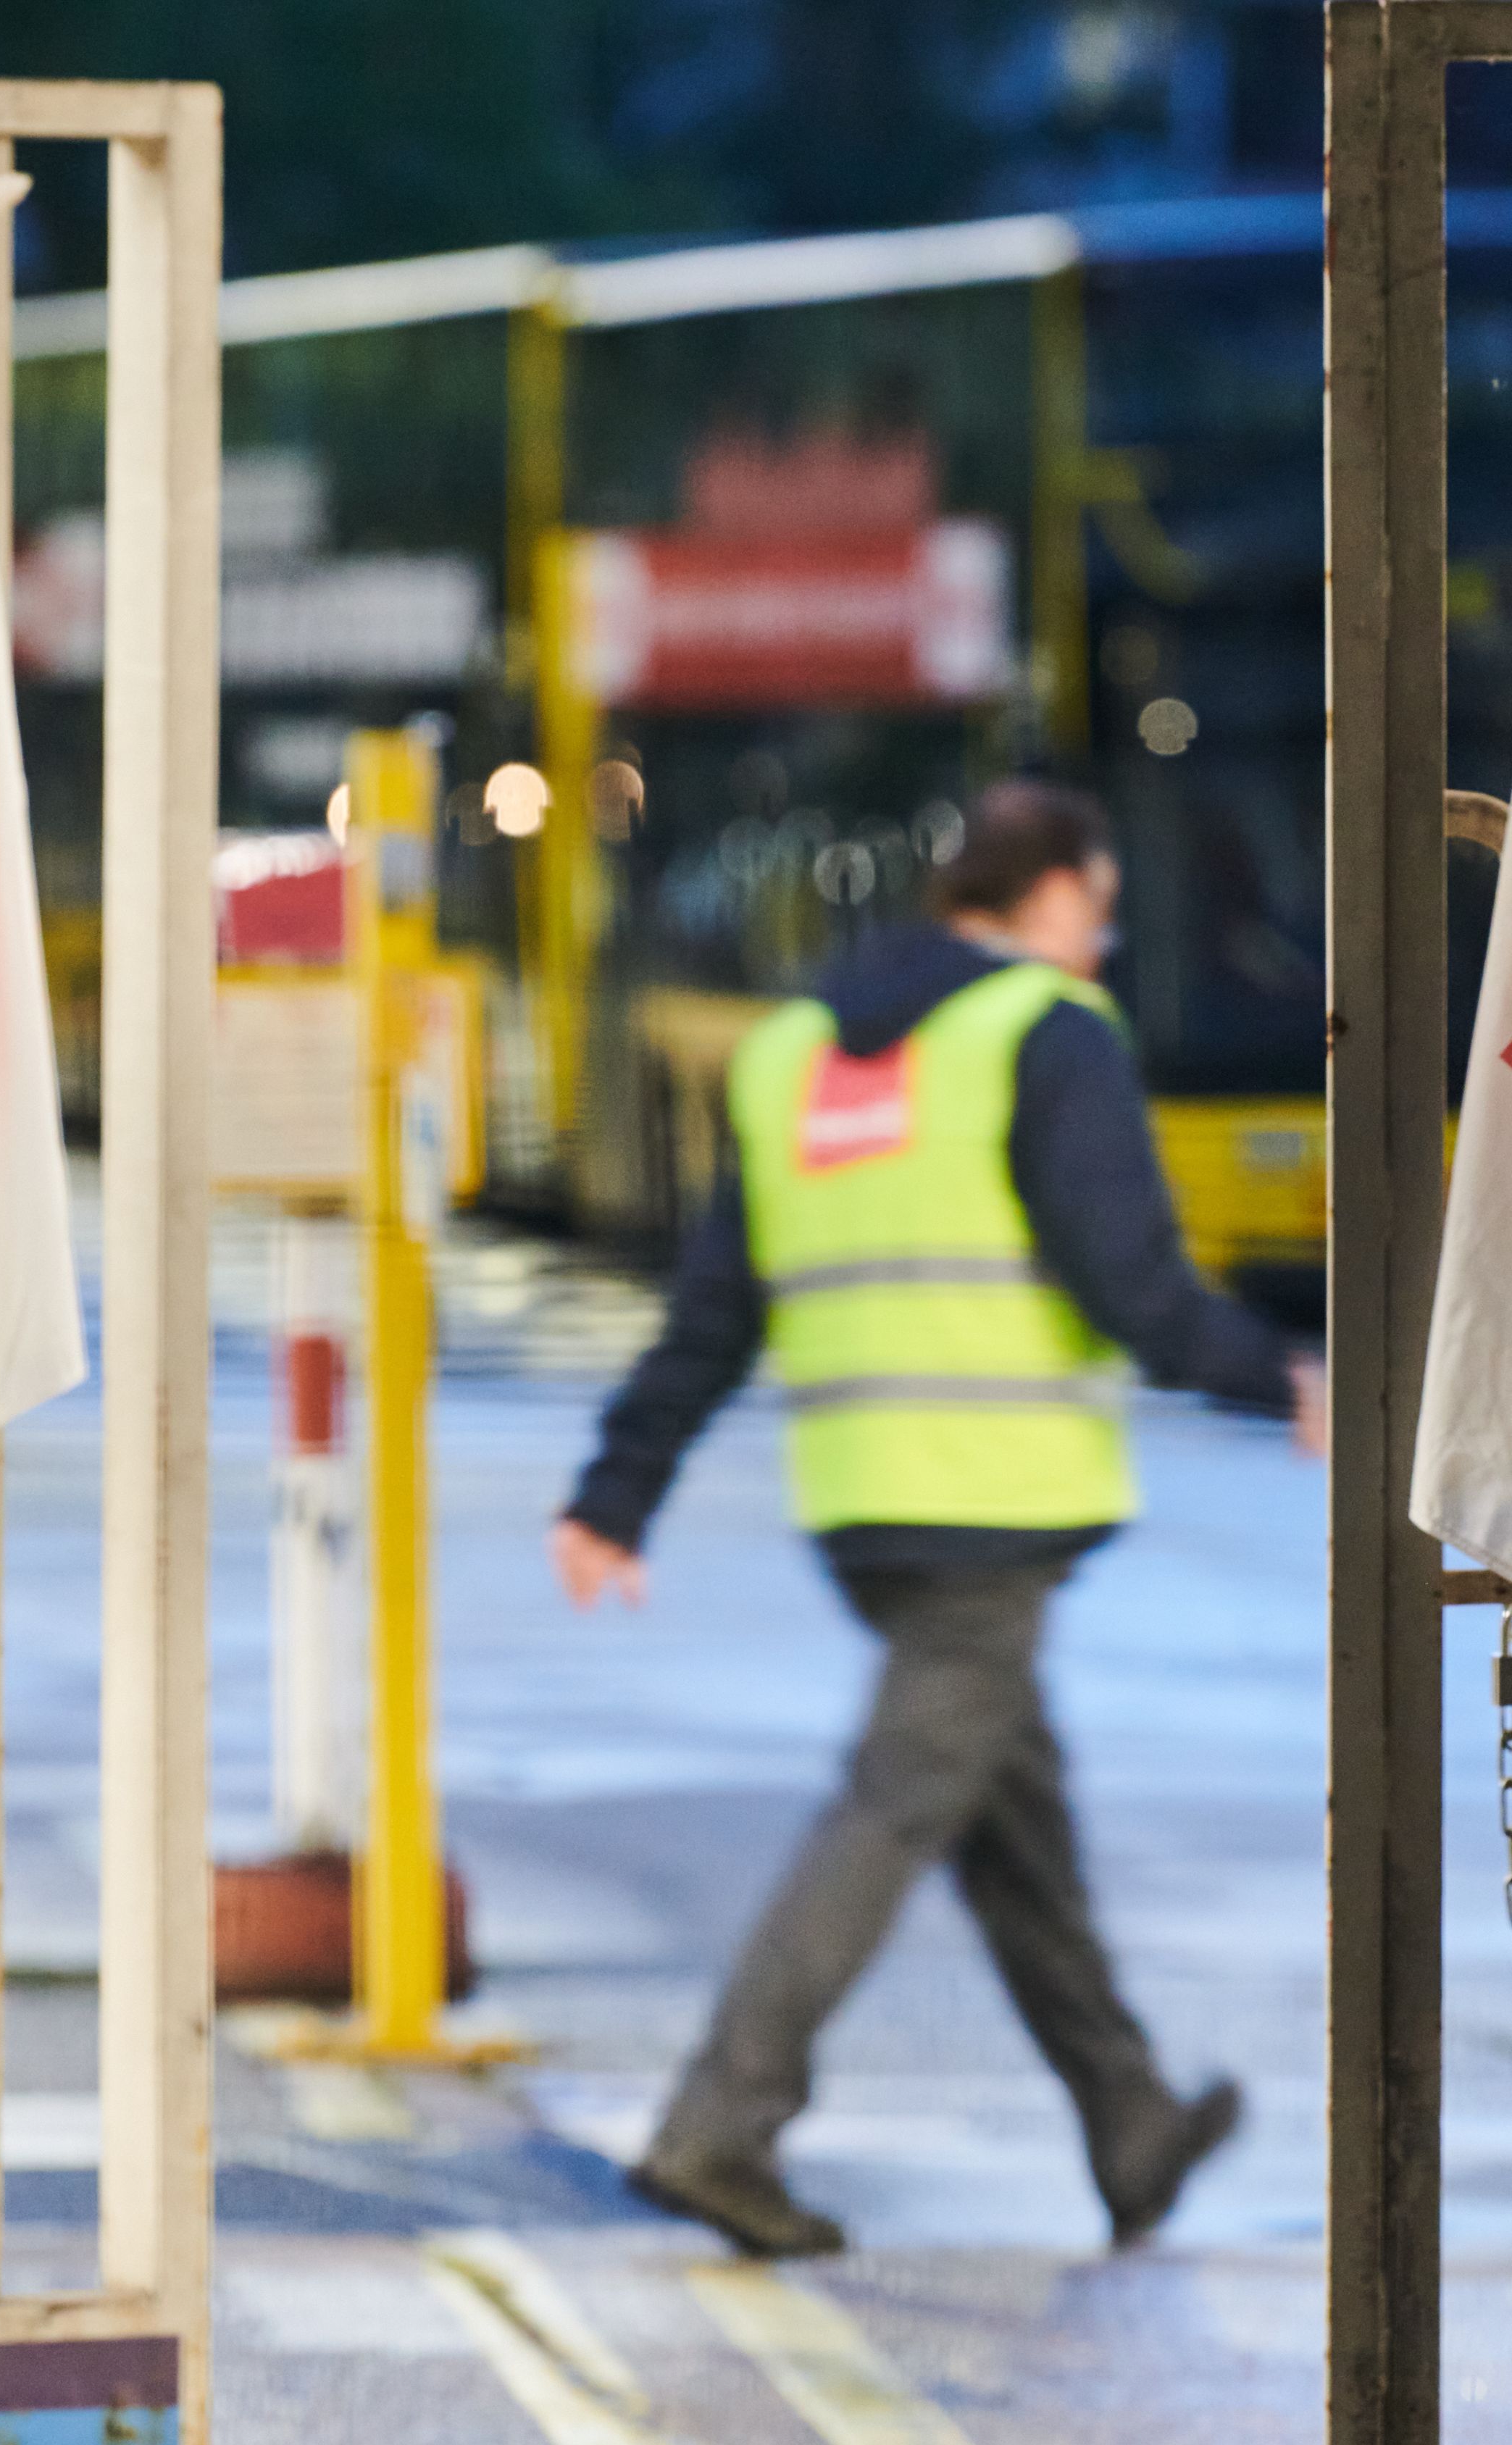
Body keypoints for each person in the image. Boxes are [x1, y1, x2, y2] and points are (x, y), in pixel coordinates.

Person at [551, 777, 1320, 2259]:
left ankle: (1130, 2123)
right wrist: (1272, 1376)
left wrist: (616, 1493)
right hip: (994, 1498)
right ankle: (722, 2125)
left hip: (863, 1503)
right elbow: (1127, 1276)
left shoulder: (792, 1055)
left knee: (1008, 1818)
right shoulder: (1044, 1036)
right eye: (1096, 913)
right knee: (903, 1802)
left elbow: (718, 1304)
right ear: (1046, 900)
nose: (1097, 946)